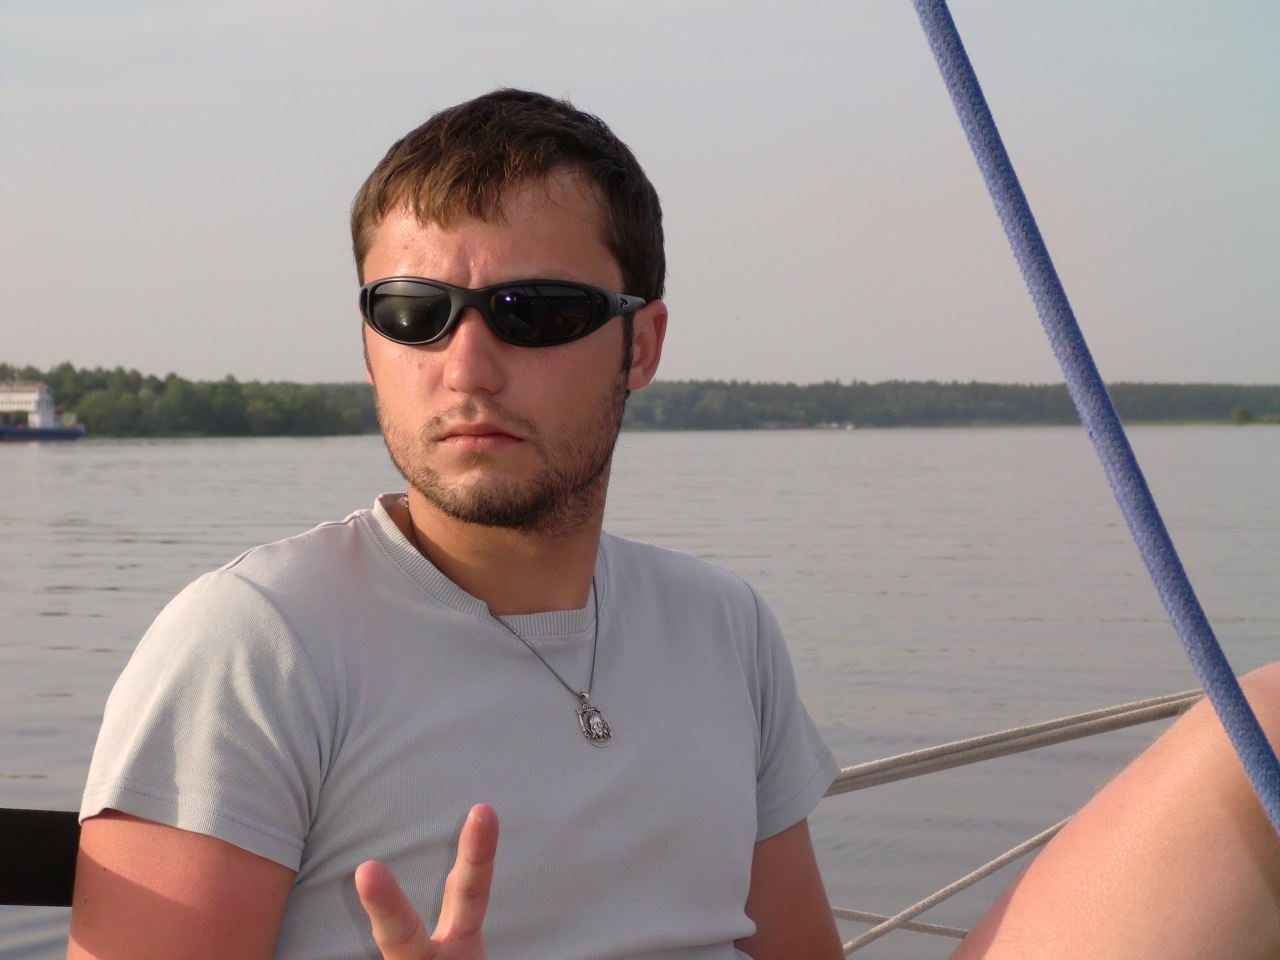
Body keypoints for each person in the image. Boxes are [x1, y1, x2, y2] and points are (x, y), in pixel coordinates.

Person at [68, 89, 1280, 960]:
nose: (466, 366)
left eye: (534, 312)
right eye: (413, 312)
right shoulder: (258, 642)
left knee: (1264, 722)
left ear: (640, 344)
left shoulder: (718, 627)